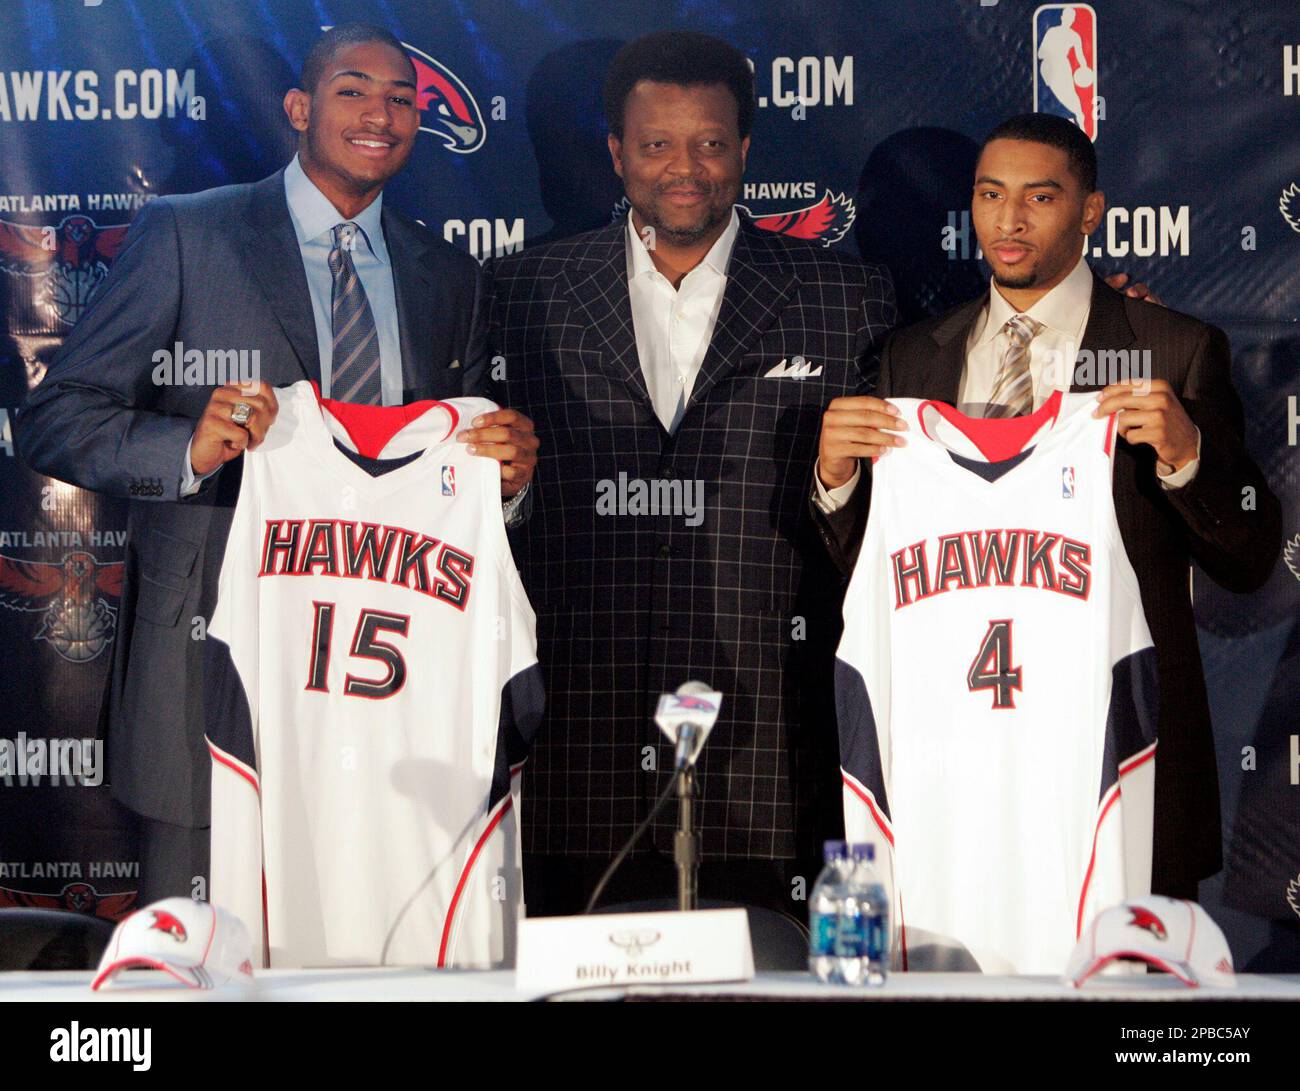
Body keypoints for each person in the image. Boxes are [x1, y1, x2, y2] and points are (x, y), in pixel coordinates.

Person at [14, 23, 538, 903]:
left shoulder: (450, 277)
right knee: (203, 968)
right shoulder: (190, 234)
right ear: (299, 108)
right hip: (214, 663)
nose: (382, 112)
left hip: (386, 682)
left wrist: (506, 480)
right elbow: (53, 419)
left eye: (403, 98)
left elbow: (463, 463)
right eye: (354, 90)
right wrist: (185, 447)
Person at [812, 112, 1281, 900]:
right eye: (991, 195)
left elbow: (1249, 554)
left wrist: (1186, 455)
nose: (1010, 219)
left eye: (1040, 197)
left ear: (1089, 212)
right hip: (954, 760)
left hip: (1118, 751)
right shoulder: (911, 356)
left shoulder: (1171, 348)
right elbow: (870, 569)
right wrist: (835, 478)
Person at [487, 30, 898, 918]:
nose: (686, 167)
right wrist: (508, 491)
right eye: (657, 144)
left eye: (711, 143)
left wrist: (836, 483)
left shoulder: (845, 296)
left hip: (772, 742)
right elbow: (470, 514)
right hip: (576, 736)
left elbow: (897, 510)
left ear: (745, 150)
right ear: (615, 153)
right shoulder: (521, 293)